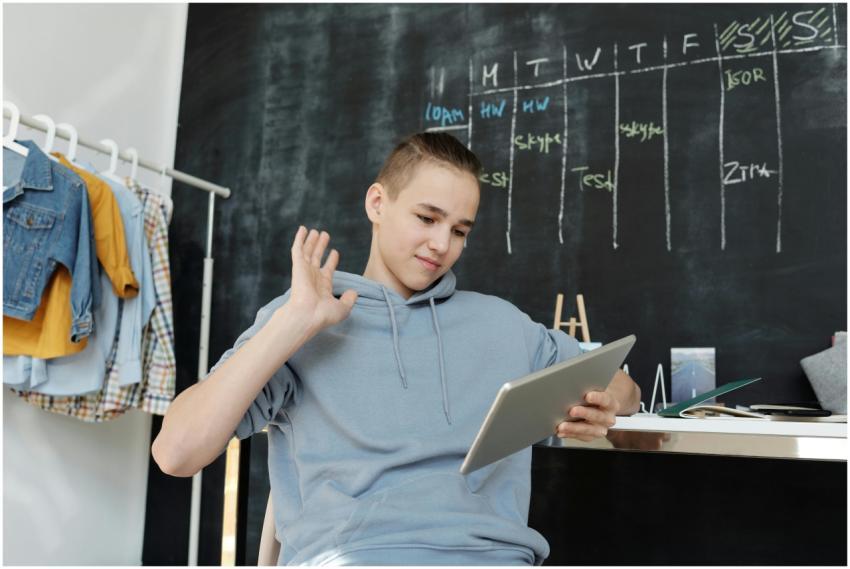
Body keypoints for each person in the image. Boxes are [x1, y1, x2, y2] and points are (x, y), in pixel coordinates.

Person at [152, 132, 641, 565]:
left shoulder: (503, 324)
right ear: (377, 204)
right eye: (427, 218)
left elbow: (625, 388)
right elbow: (176, 453)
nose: (441, 244)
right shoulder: (303, 316)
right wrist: (292, 324)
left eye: (459, 231)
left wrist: (604, 403)